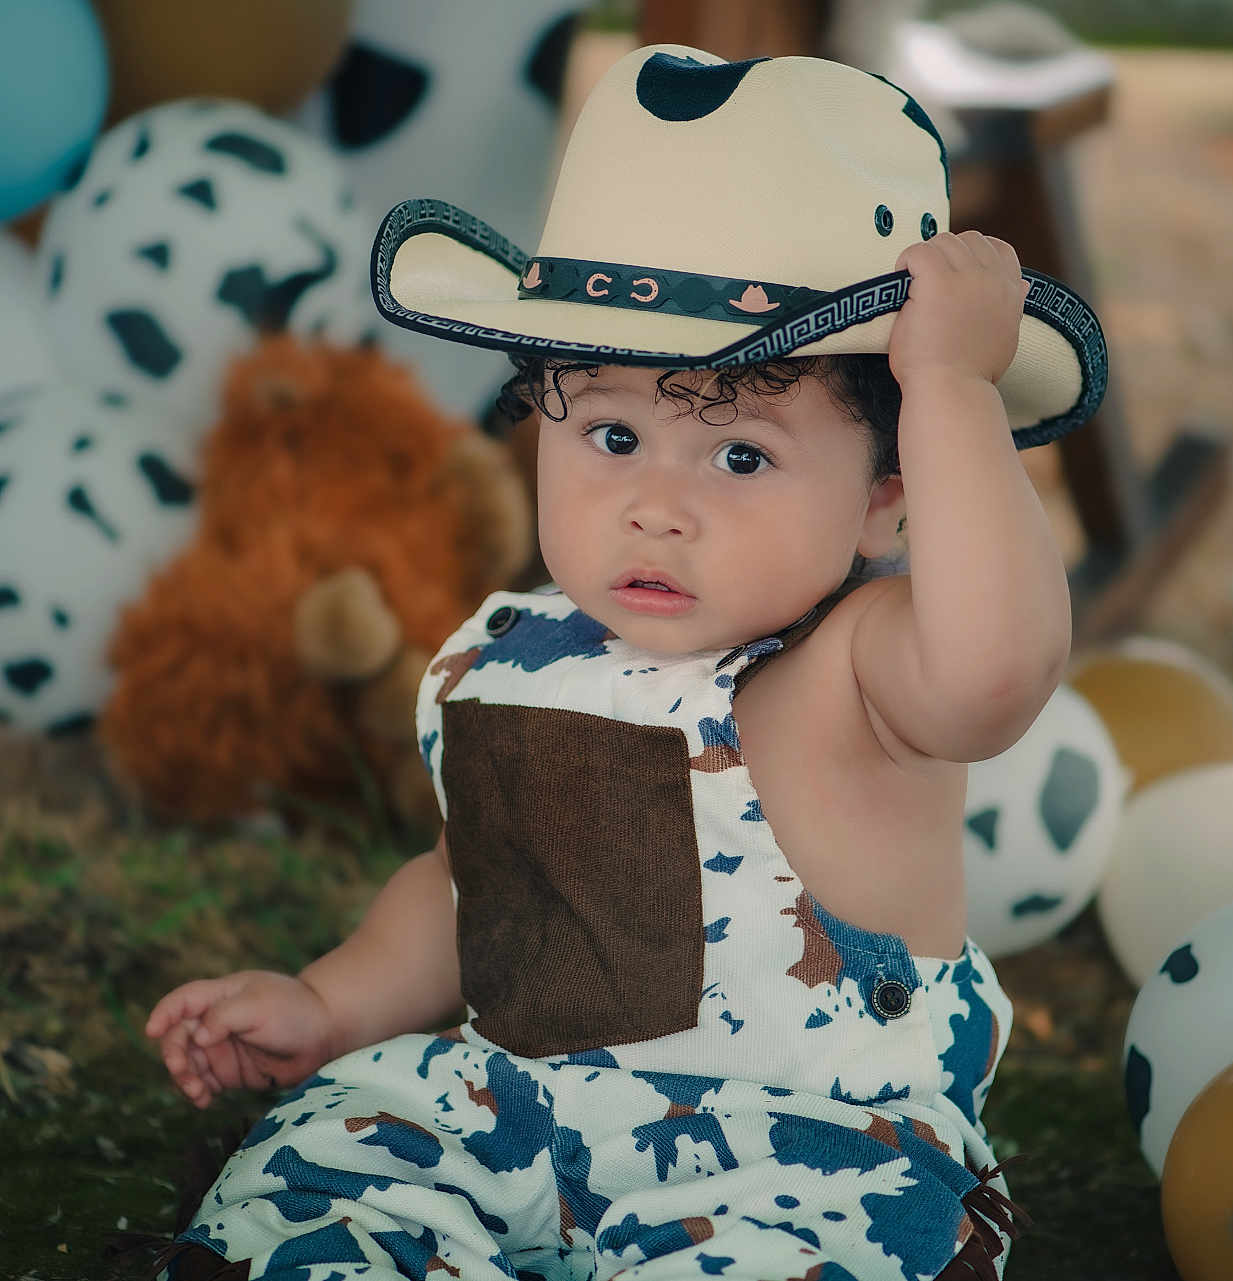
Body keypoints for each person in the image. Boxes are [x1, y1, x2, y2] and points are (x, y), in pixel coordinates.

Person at [145, 43, 1106, 1281]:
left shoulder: (864, 671)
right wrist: (330, 1005)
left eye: (741, 456)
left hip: (799, 1158)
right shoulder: (508, 655)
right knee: (316, 1172)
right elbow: (470, 884)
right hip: (512, 1114)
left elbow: (1000, 669)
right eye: (610, 434)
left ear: (886, 497)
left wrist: (952, 389)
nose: (656, 507)